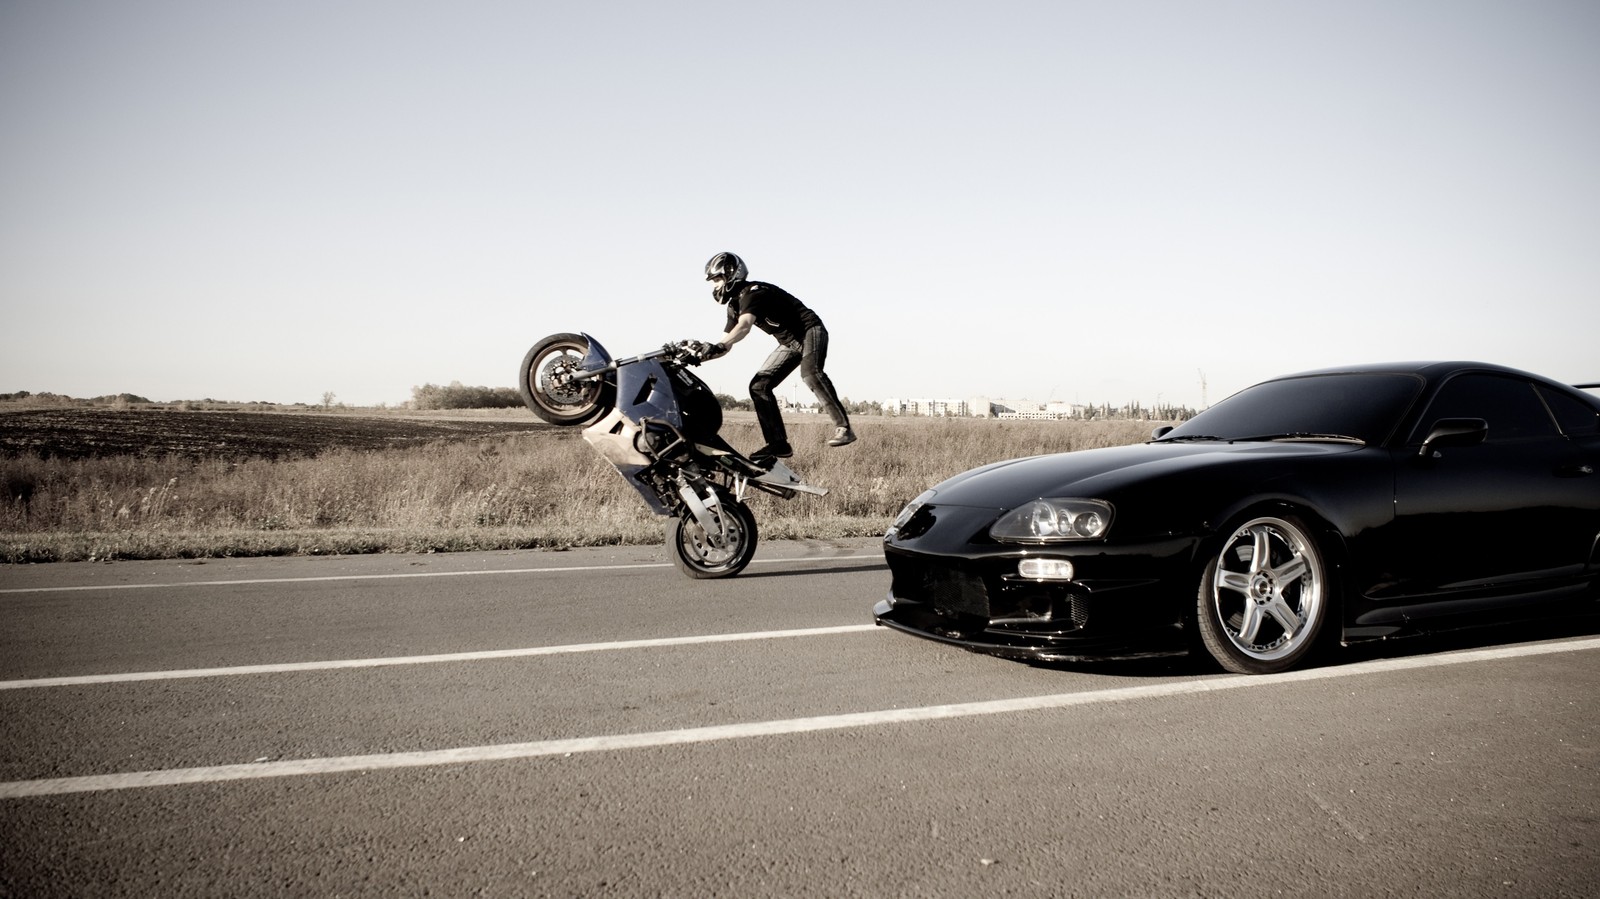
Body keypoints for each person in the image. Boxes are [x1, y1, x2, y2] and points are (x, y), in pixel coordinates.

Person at [700, 251, 855, 462]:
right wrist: (699, 357)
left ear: (730, 275)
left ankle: (843, 428)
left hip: (810, 331)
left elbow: (744, 327)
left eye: (716, 279)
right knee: (759, 386)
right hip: (789, 343)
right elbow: (724, 345)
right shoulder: (733, 306)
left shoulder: (753, 292)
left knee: (810, 374)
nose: (714, 286)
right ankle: (778, 444)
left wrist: (720, 345)